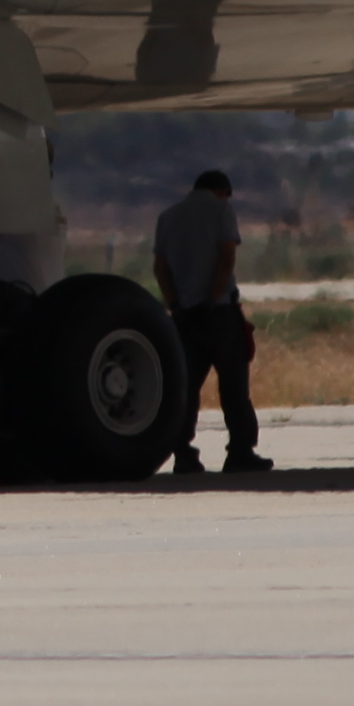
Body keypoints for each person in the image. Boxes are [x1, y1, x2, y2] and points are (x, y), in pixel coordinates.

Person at [148, 166, 269, 477]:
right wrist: (213, 299)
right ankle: (240, 452)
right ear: (222, 192)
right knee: (233, 387)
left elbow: (160, 267)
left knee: (186, 388)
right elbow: (226, 258)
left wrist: (176, 304)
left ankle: (183, 455)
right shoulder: (222, 210)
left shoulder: (167, 217)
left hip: (184, 316)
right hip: (219, 314)